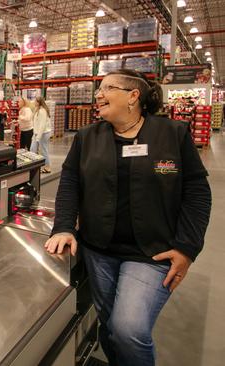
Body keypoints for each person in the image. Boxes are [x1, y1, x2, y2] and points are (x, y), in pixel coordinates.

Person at [45, 69, 211, 366]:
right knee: (108, 326)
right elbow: (70, 183)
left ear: (134, 96)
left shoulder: (172, 134)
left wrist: (187, 247)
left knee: (128, 329)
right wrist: (64, 227)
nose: (98, 94)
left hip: (153, 253)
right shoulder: (87, 137)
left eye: (108, 88)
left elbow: (197, 193)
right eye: (99, 88)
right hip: (100, 250)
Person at [30, 97, 52, 173]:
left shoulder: (42, 111)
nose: (33, 102)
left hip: (43, 133)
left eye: (35, 101)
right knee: (33, 149)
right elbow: (34, 121)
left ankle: (47, 167)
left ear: (39, 102)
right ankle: (34, 167)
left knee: (43, 150)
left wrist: (38, 137)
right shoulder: (38, 110)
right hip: (37, 133)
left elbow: (42, 125)